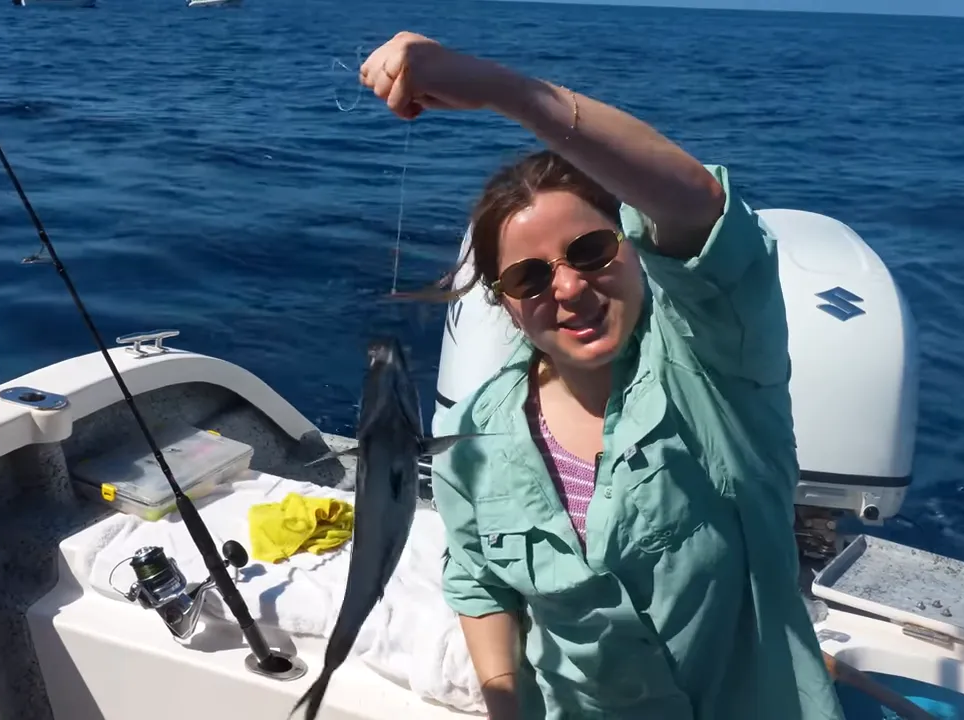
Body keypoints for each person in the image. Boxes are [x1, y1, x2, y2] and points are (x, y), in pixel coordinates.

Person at [358, 32, 846, 720]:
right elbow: (478, 582)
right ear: (503, 301)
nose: (567, 288)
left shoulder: (719, 369)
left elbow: (700, 206)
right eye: (528, 277)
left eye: (590, 250)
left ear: (633, 244)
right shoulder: (468, 432)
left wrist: (507, 92)